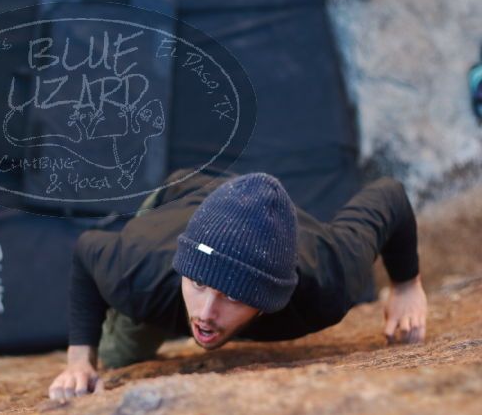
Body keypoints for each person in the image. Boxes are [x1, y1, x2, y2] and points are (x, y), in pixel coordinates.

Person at [48, 170, 428, 401]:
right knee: (119, 356)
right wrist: (80, 362)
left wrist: (406, 283)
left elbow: (389, 194)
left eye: (232, 296)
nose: (206, 314)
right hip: (177, 198)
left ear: (268, 299)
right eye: (198, 283)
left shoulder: (330, 281)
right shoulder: (136, 271)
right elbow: (85, 251)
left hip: (269, 234)